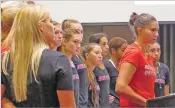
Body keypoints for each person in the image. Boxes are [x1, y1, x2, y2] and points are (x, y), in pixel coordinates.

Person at [1, 4, 75, 107]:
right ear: (41, 26)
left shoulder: (4, 60)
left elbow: (2, 98)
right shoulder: (58, 60)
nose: (53, 26)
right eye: (50, 21)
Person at [116, 12, 159, 107]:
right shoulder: (133, 52)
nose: (156, 34)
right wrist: (147, 103)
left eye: (157, 30)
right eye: (153, 30)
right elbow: (120, 87)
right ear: (139, 31)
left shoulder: (148, 55)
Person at [62, 19, 89, 108]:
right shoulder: (61, 61)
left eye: (81, 31)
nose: (80, 34)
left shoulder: (76, 57)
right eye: (76, 31)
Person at [60, 28, 83, 108]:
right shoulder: (60, 64)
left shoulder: (73, 63)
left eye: (80, 42)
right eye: (75, 42)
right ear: (65, 42)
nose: (79, 46)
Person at [104, 37, 127, 108]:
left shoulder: (126, 67)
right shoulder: (105, 66)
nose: (126, 53)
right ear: (113, 50)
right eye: (123, 50)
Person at [89, 33, 110, 108]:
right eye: (104, 44)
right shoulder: (92, 66)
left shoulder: (104, 64)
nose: (107, 47)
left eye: (107, 44)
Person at [81, 43, 103, 108]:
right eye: (96, 53)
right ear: (87, 55)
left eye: (101, 53)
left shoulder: (93, 74)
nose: (100, 56)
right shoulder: (83, 74)